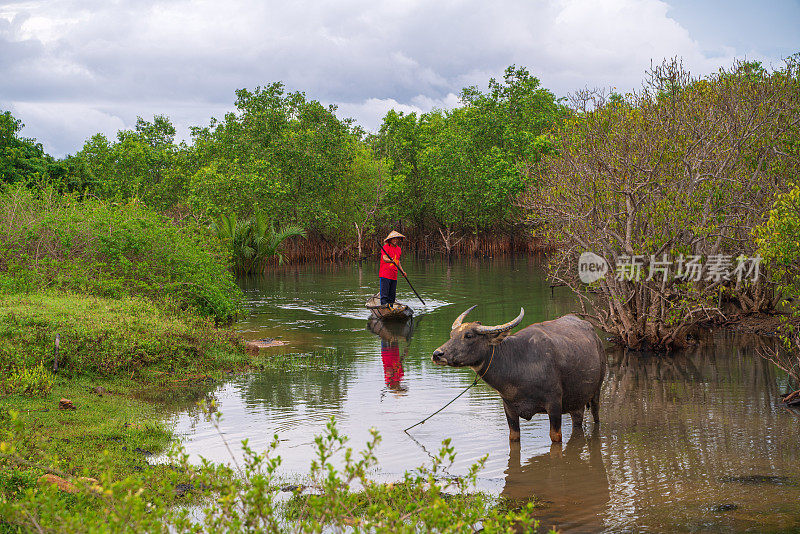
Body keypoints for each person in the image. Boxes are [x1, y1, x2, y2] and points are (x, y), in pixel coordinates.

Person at [379, 230, 406, 307]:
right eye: (393, 238)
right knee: (384, 296)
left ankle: (391, 309)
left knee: (392, 296)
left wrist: (402, 271)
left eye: (396, 238)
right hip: (385, 274)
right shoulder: (385, 247)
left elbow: (398, 261)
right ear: (390, 240)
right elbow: (384, 258)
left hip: (394, 275)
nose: (395, 240)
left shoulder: (399, 249)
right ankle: (384, 309)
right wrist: (390, 260)